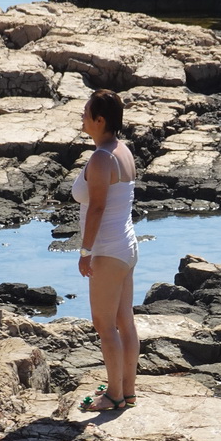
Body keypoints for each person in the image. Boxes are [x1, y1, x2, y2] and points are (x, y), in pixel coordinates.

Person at [71, 89, 139, 412]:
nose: (82, 118)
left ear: (100, 120)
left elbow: (96, 208)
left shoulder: (101, 158)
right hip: (126, 245)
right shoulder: (123, 151)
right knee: (125, 321)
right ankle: (127, 391)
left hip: (108, 250)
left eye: (86, 113)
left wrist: (85, 252)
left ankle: (113, 395)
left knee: (104, 324)